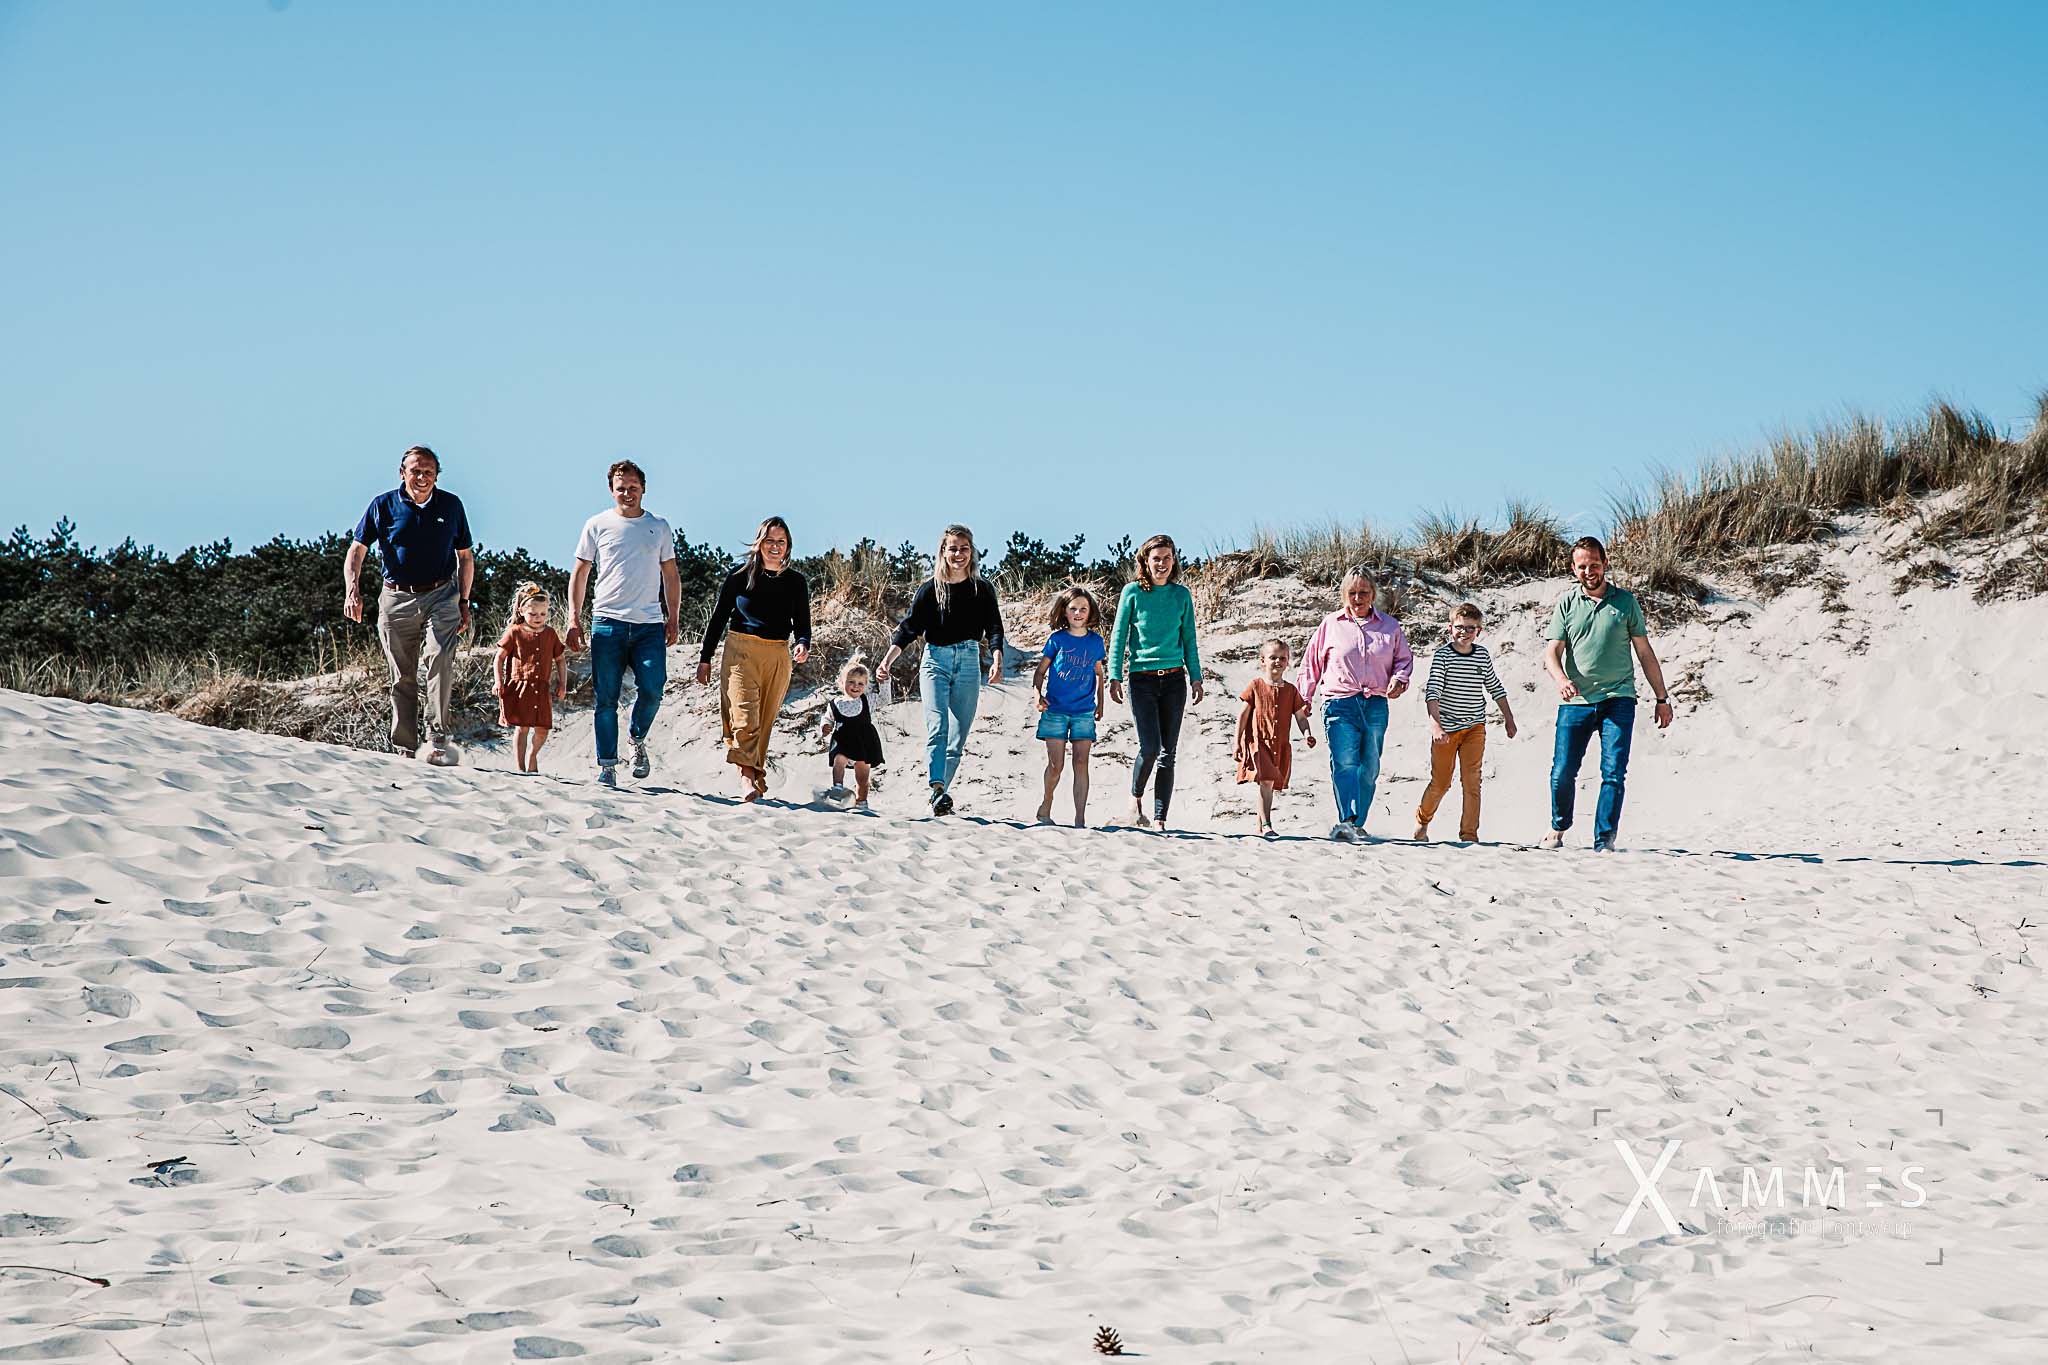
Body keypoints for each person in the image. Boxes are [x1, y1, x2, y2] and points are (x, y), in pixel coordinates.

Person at [342, 445, 474, 764]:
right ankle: (404, 746)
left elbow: (466, 557)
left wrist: (465, 601)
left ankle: (437, 738)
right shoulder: (383, 505)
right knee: (403, 675)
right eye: (415, 470)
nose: (422, 477)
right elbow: (357, 551)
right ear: (403, 473)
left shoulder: (451, 505)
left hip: (442, 594)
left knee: (439, 659)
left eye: (428, 471)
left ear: (436, 476)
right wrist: (352, 591)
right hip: (395, 597)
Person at [1540, 537, 1674, 851]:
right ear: (1573, 569)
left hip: (1619, 698)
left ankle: (1604, 840)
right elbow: (1551, 653)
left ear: (1605, 564)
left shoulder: (1625, 602)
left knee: (1613, 772)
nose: (1589, 571)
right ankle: (1559, 827)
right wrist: (1561, 680)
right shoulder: (1567, 604)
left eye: (1595, 564)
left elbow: (1644, 652)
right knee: (1562, 772)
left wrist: (1662, 698)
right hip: (1576, 702)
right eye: (1582, 566)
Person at [565, 460, 681, 789]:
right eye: (621, 488)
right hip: (607, 622)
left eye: (632, 487)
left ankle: (636, 738)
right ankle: (607, 766)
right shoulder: (597, 524)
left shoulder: (658, 526)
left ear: (643, 488)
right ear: (611, 490)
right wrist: (574, 617)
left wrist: (673, 616)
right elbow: (581, 572)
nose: (627, 493)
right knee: (606, 698)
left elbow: (670, 574)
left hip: (648, 624)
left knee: (654, 689)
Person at [877, 524, 1004, 816]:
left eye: (964, 548)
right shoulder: (930, 589)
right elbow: (909, 628)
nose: (958, 554)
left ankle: (939, 795)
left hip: (970, 661)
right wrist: (887, 660)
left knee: (959, 735)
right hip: (935, 661)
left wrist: (997, 657)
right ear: (943, 552)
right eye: (953, 548)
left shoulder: (981, 589)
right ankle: (936, 788)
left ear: (971, 552)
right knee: (938, 727)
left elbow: (994, 627)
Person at [695, 517, 811, 802]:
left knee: (764, 722)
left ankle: (755, 776)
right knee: (745, 718)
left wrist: (803, 643)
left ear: (788, 547)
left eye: (780, 542)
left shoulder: (796, 582)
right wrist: (705, 657)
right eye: (769, 541)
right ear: (759, 544)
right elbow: (718, 618)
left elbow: (803, 624)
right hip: (741, 652)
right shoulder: (739, 577)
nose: (775, 547)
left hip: (777, 655)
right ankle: (747, 780)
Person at [1296, 567, 1413, 842]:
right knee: (1345, 762)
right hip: (1340, 702)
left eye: (1363, 592)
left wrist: (1399, 679)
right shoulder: (1331, 624)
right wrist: (1304, 697)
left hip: (1375, 704)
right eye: (1352, 593)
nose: (1357, 598)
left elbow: (1403, 661)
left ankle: (1358, 821)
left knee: (1369, 766)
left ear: (1373, 594)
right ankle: (1346, 820)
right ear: (1343, 595)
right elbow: (1311, 662)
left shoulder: (1390, 627)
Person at [1106, 534, 1203, 829]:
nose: (1162, 564)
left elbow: (1189, 639)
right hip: (1141, 680)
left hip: (1174, 680)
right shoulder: (1132, 593)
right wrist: (1114, 675)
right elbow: (1119, 636)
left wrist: (1196, 676)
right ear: (1145, 562)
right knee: (1150, 747)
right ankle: (1135, 799)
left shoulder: (1181, 595)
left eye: (1167, 558)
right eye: (1156, 559)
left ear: (1174, 561)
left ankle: (1160, 818)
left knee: (1167, 753)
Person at [1413, 602, 1517, 843]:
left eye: (1471, 628)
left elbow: (1494, 686)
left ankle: (1469, 835)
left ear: (1478, 631)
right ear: (1450, 628)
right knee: (1441, 783)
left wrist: (1508, 718)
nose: (1465, 632)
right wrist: (1435, 726)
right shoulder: (1443, 656)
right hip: (1446, 729)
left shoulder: (1481, 655)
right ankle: (1422, 820)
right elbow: (1433, 693)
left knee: (1472, 782)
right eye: (1460, 627)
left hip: (1475, 728)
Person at [1032, 586, 1108, 828]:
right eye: (1073, 608)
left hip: (1084, 711)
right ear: (1064, 611)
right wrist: (1037, 695)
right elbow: (1040, 672)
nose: (1078, 613)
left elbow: (1099, 673)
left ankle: (1080, 819)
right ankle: (1046, 802)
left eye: (1083, 609)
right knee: (1056, 765)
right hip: (1055, 710)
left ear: (1090, 612)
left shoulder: (1096, 642)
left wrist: (1101, 703)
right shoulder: (1057, 640)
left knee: (1081, 763)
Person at [1234, 638, 1315, 838]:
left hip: (1279, 745)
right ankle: (1268, 825)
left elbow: (1300, 717)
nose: (1277, 662)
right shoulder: (1255, 685)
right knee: (1267, 781)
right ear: (1263, 661)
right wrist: (1236, 743)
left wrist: (1307, 734)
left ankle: (1260, 827)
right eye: (1273, 658)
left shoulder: (1291, 691)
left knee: (1268, 784)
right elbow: (1243, 715)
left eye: (1282, 658)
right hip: (1258, 742)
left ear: (1288, 662)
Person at [494, 582, 568, 774]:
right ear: (522, 611)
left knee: (543, 729)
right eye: (533, 614)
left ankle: (532, 755)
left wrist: (563, 683)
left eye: (543, 614)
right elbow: (499, 658)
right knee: (523, 727)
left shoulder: (550, 634)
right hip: (520, 688)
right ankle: (520, 768)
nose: (538, 618)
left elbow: (560, 660)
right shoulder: (515, 632)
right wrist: (498, 680)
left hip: (542, 689)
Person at [819, 654, 883, 812]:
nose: (856, 686)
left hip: (864, 742)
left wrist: (885, 681)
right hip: (843, 741)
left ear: (866, 685)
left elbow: (885, 699)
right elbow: (827, 718)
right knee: (838, 760)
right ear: (842, 683)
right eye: (851, 682)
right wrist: (826, 726)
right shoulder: (835, 703)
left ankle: (862, 801)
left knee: (862, 777)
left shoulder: (868, 700)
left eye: (861, 683)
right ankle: (838, 788)